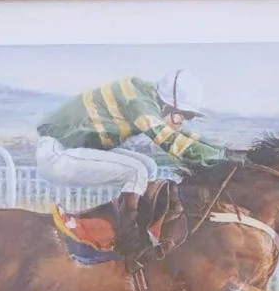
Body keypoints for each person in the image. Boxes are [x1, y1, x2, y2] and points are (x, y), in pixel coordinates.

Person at [36, 69, 229, 257]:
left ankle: (139, 227)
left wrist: (225, 153)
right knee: (136, 171)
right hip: (57, 154)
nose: (182, 122)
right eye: (182, 115)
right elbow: (170, 140)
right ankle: (130, 240)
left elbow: (183, 135)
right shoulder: (138, 103)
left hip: (70, 149)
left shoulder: (146, 96)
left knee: (149, 166)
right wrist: (221, 159)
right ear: (166, 105)